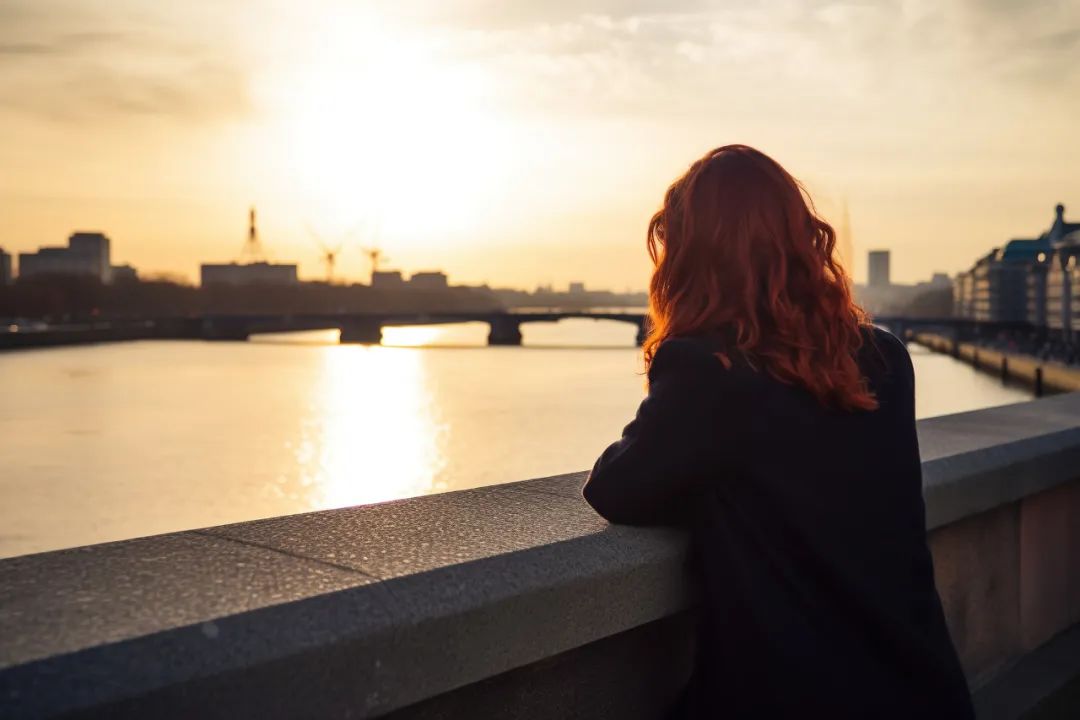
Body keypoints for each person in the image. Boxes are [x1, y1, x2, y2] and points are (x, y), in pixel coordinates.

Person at [582, 145, 974, 719]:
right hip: (918, 690)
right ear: (800, 241)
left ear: (691, 258)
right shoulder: (884, 357)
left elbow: (615, 488)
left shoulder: (706, 370)